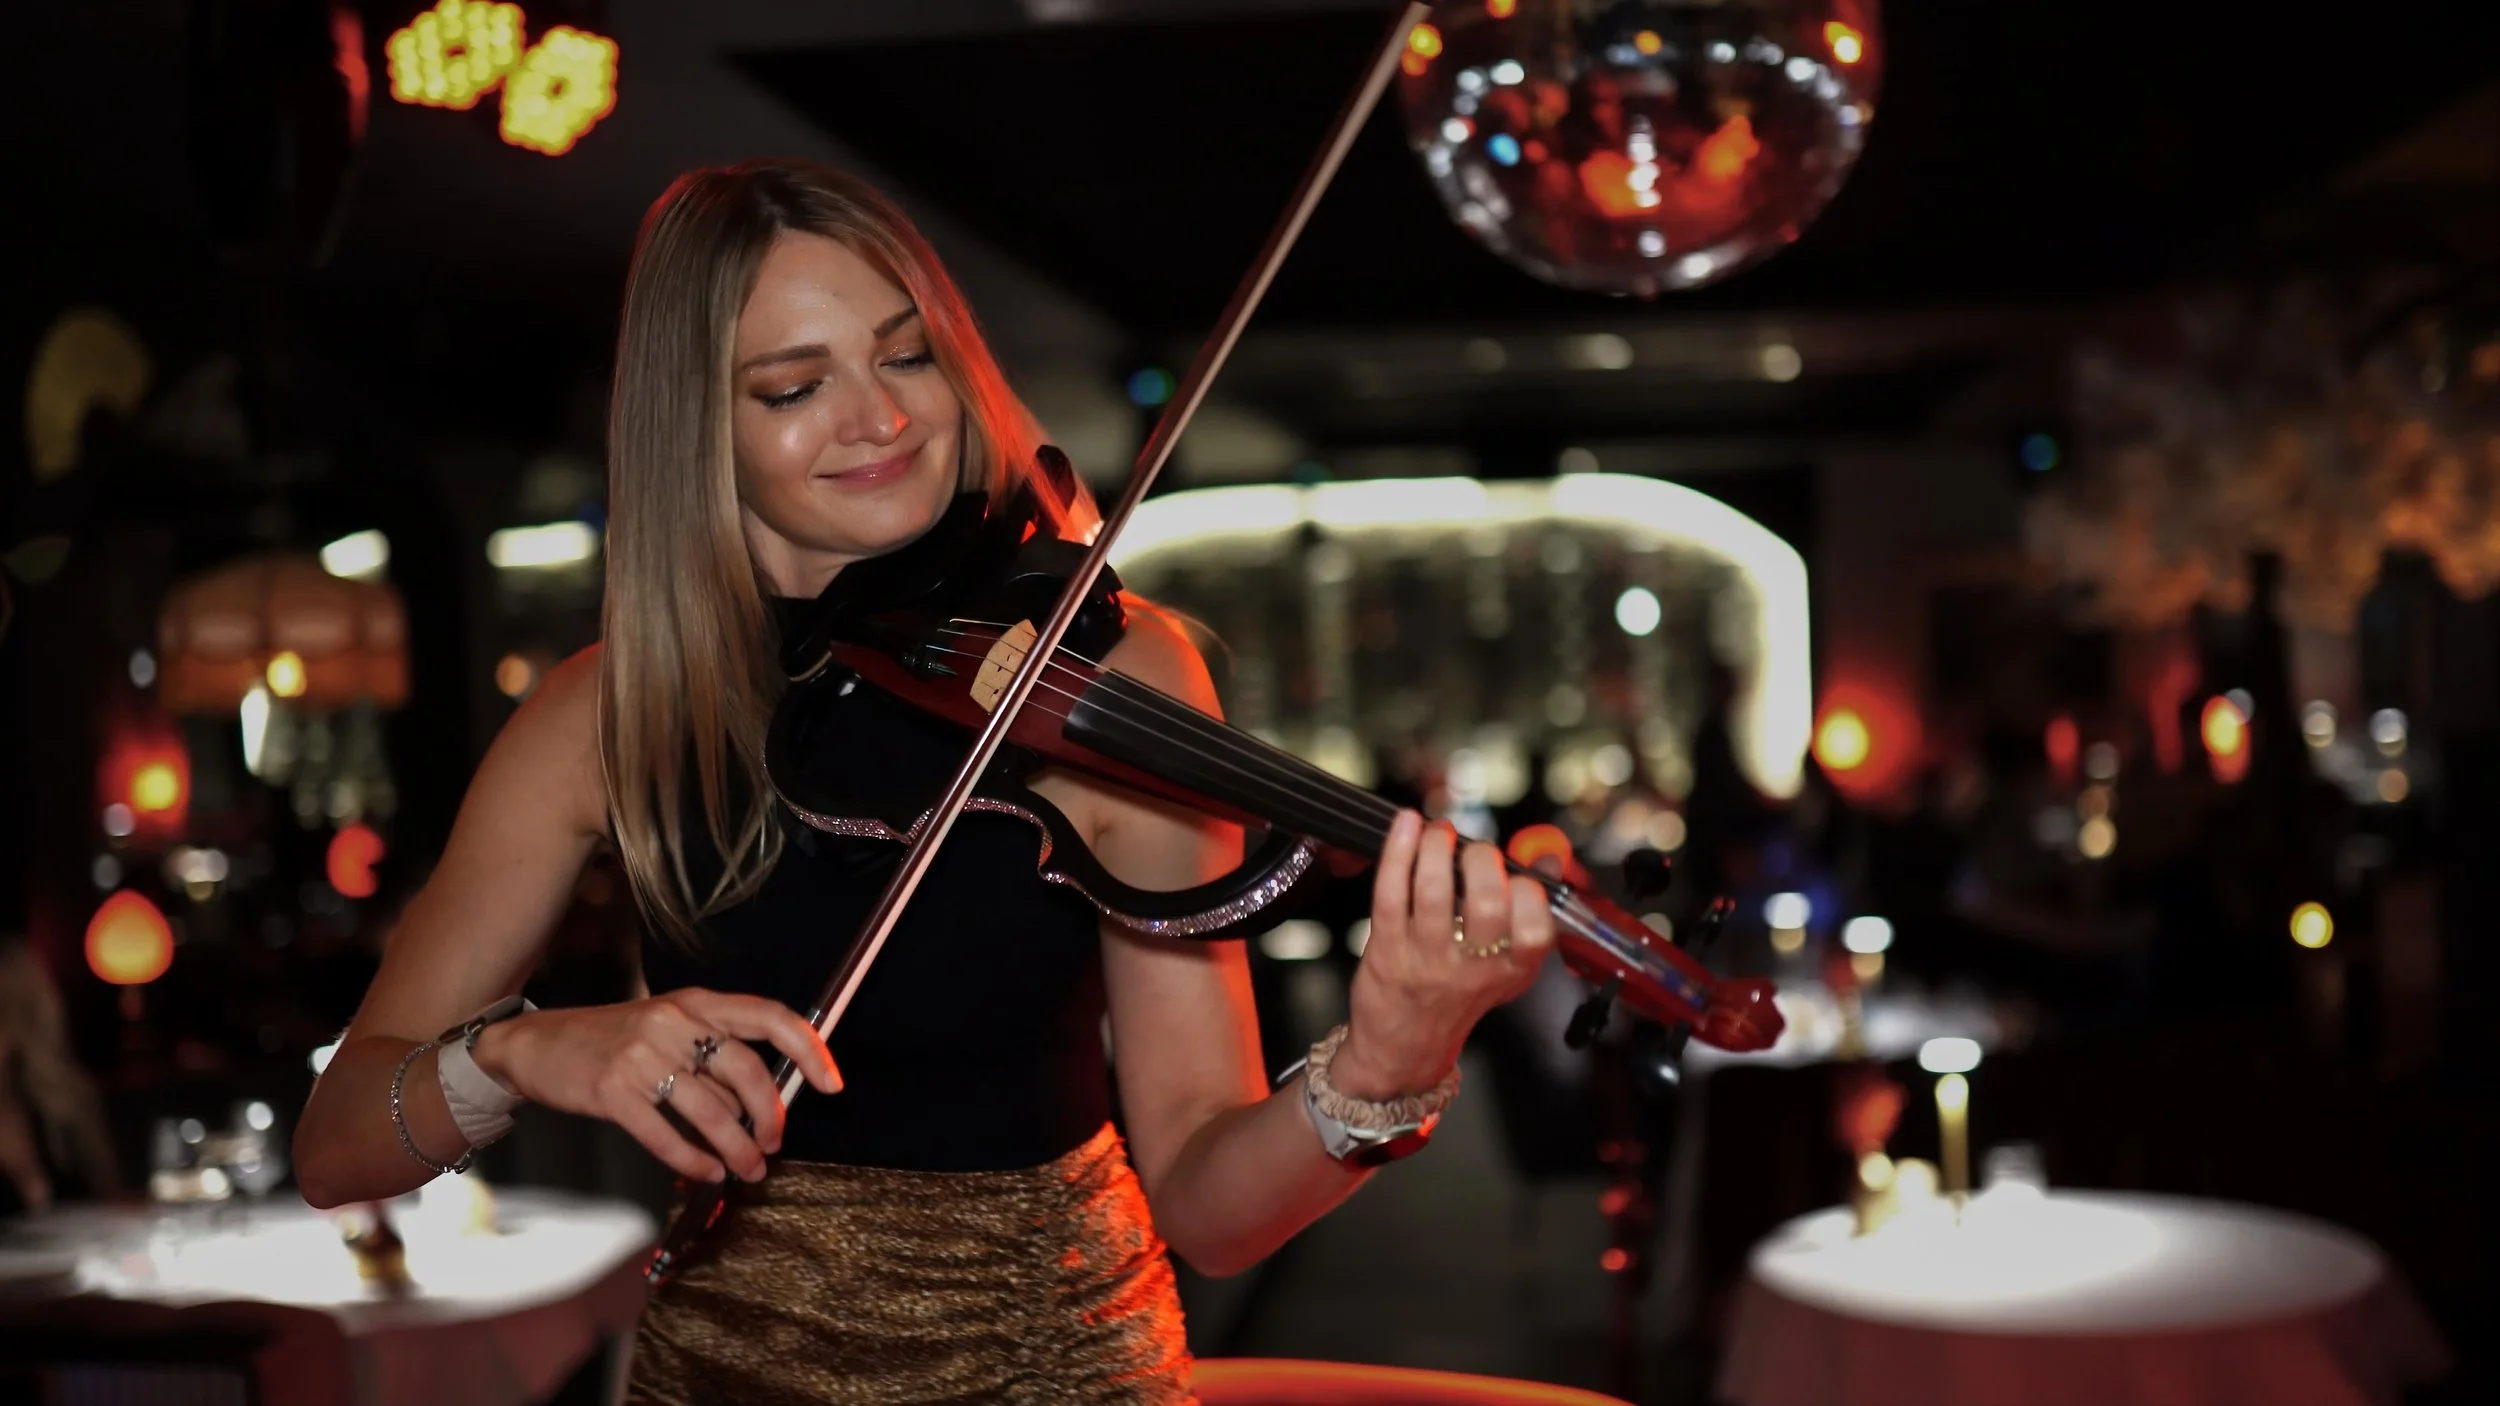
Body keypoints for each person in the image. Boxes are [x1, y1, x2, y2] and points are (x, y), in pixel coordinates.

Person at [291, 159, 1554, 1404]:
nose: (882, 418)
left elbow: (1212, 1208)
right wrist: (526, 1052)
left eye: (907, 356)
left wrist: (1385, 1066)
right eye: (795, 385)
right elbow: (337, 1141)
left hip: (1046, 1372)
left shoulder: (1106, 672)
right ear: (696, 433)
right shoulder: (604, 712)